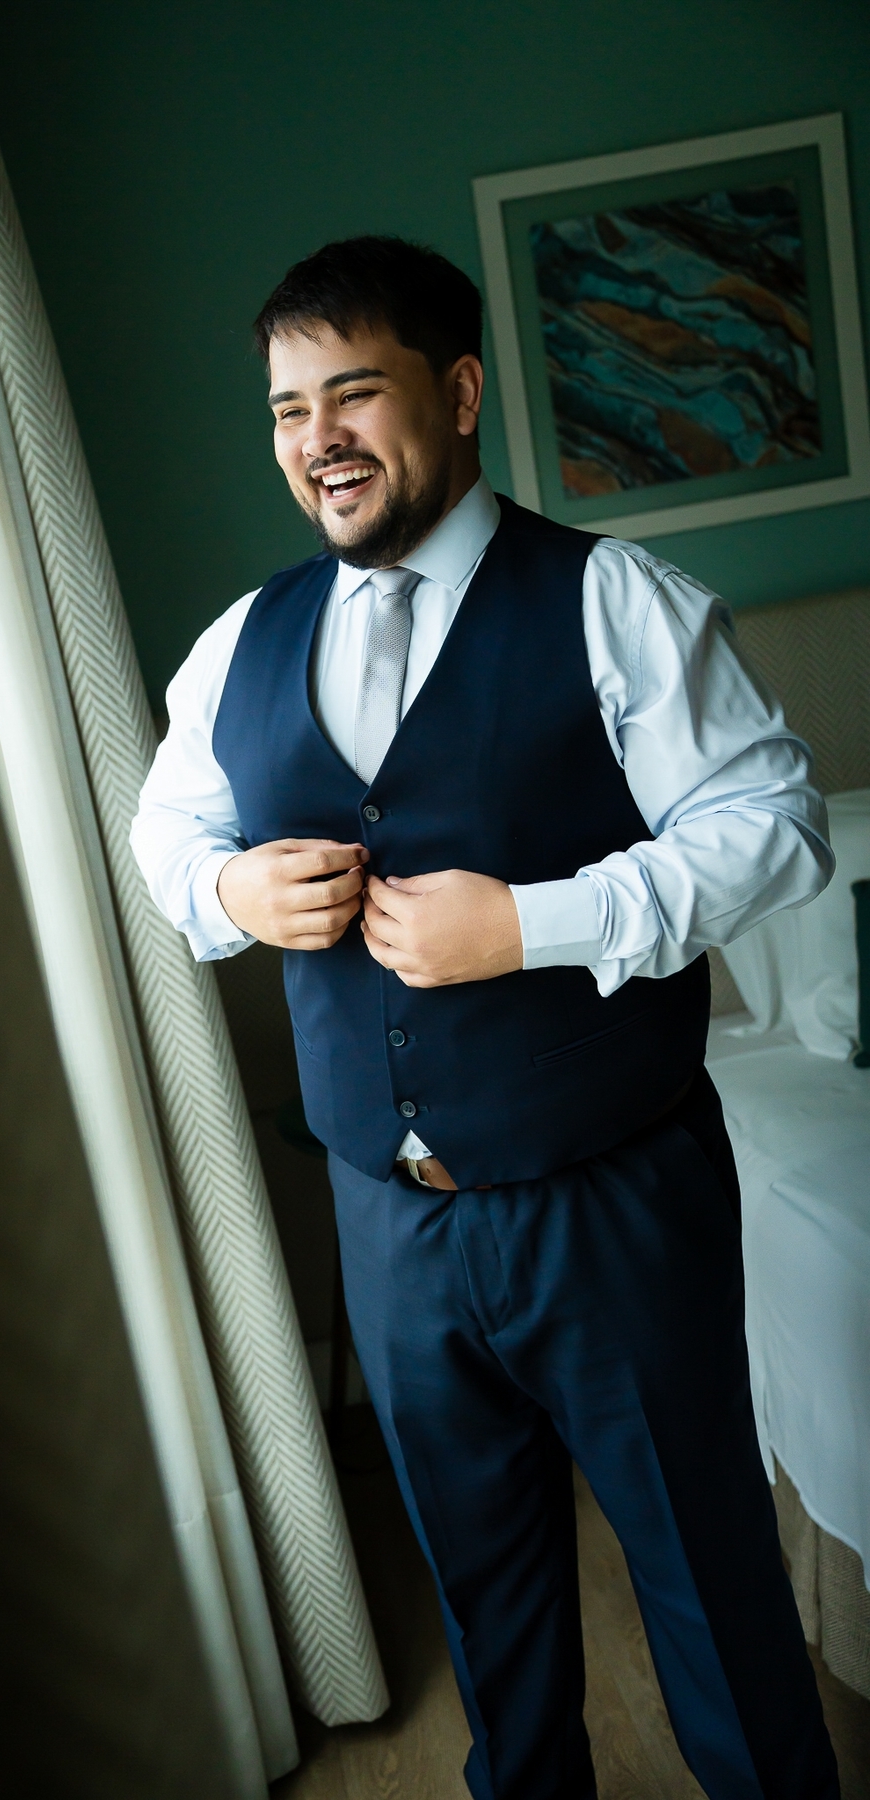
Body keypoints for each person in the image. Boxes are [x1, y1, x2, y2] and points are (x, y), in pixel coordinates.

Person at [131, 235, 839, 1800]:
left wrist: (532, 922)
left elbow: (778, 827)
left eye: (354, 394)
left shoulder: (616, 602)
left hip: (614, 1197)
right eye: (287, 408)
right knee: (486, 1606)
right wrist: (232, 890)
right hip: (390, 1221)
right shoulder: (239, 643)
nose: (317, 438)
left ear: (457, 395)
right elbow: (164, 836)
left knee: (709, 1588)